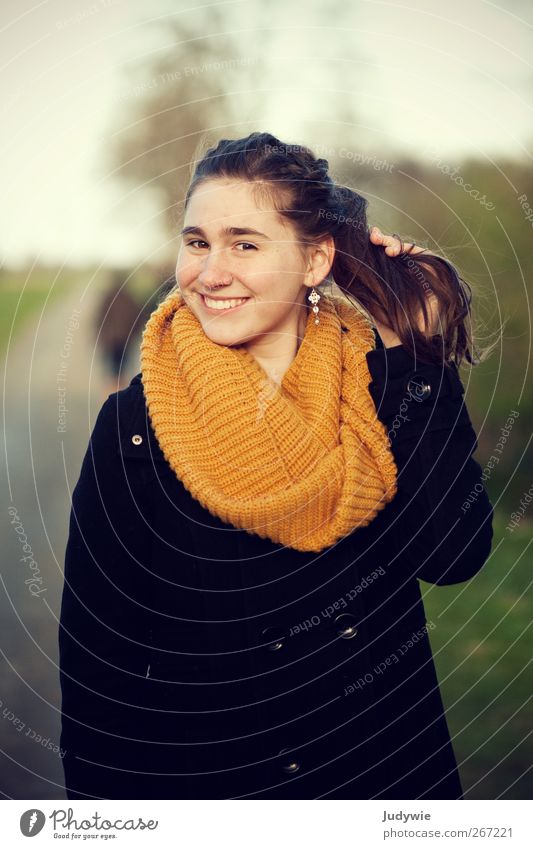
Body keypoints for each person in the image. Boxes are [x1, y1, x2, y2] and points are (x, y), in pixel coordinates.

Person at [58, 131, 494, 800]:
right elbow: (99, 676)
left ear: (315, 259)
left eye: (245, 243)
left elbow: (453, 554)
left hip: (378, 781)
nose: (210, 272)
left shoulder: (385, 388)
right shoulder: (133, 430)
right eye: (197, 241)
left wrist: (416, 347)